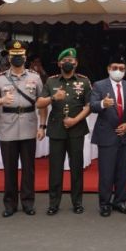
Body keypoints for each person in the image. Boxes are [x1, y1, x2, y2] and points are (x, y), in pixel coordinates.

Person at [0, 40, 43, 217]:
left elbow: (42, 103)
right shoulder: (0, 79)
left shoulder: (35, 77)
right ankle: (10, 204)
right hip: (8, 127)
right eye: (14, 55)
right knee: (9, 169)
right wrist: (2, 100)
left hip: (28, 125)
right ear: (9, 58)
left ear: (25, 57)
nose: (17, 58)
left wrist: (42, 125)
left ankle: (28, 202)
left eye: (20, 55)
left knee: (28, 168)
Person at [38, 48, 92, 215]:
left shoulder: (84, 81)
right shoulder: (51, 81)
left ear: (76, 63)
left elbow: (89, 106)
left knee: (76, 168)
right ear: (59, 63)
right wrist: (54, 97)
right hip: (56, 130)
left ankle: (77, 202)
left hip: (77, 129)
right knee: (55, 168)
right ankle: (54, 203)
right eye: (65, 60)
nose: (68, 63)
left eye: (71, 60)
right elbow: (39, 103)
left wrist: (76, 120)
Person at [88, 55, 126, 216]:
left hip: (124, 134)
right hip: (107, 135)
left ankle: (120, 201)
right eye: (115, 68)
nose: (118, 71)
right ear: (108, 69)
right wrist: (103, 103)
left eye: (122, 68)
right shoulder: (99, 85)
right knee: (106, 173)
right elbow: (92, 105)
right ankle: (105, 203)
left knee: (123, 173)